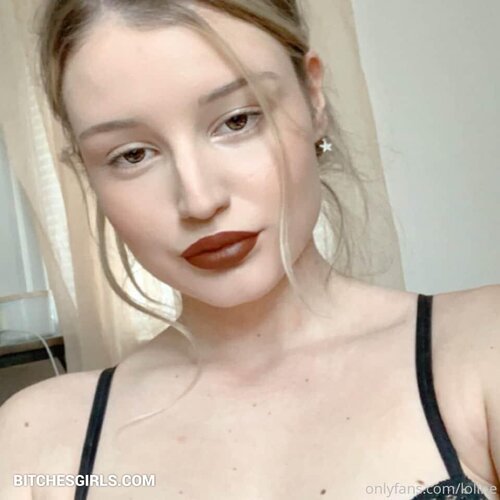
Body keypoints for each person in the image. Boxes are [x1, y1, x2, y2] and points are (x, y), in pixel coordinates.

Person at [1, 1, 499, 499]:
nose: (199, 200)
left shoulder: (480, 351)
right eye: (132, 154)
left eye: (237, 120)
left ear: (314, 98)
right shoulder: (37, 441)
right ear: (87, 172)